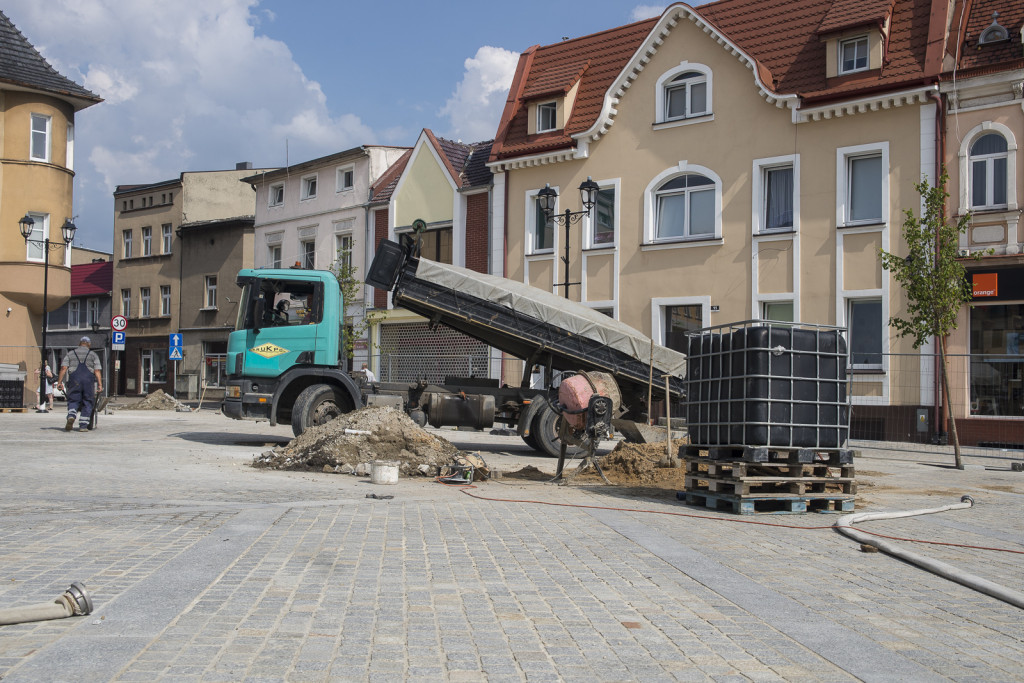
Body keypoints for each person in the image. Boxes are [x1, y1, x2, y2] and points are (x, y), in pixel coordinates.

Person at [56, 336, 103, 432]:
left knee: (73, 399)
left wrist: (59, 382)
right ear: (89, 344)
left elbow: (63, 368)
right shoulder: (93, 355)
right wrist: (100, 385)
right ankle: (83, 426)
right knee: (88, 401)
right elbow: (97, 371)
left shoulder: (70, 354)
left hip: (74, 380)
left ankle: (71, 415)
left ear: (79, 343)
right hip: (88, 381)